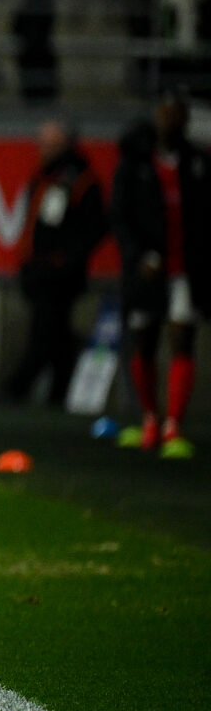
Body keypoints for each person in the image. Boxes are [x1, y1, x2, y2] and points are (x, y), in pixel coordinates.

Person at [112, 89, 209, 457]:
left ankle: (173, 425)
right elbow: (119, 216)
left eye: (177, 113)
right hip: (146, 271)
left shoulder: (197, 163)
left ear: (185, 119)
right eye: (165, 113)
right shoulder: (135, 163)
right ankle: (150, 418)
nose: (171, 120)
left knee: (182, 337)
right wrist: (138, 256)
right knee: (145, 340)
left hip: (185, 269)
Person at [0, 123, 106, 405]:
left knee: (44, 333)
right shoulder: (45, 176)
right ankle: (59, 394)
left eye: (49, 145)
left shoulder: (80, 180)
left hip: (60, 275)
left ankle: (16, 389)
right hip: (40, 270)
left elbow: (96, 226)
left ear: (65, 146)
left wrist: (67, 260)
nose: (42, 150)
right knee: (57, 336)